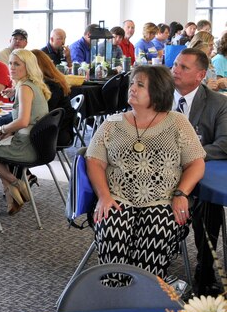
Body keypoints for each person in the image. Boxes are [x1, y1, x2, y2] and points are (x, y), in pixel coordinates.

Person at [88, 65, 205, 280]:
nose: (132, 88)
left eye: (140, 85)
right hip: (117, 197)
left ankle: (144, 299)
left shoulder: (178, 122)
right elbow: (94, 161)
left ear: (158, 91)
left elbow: (196, 163)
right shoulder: (112, 123)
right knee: (112, 232)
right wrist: (104, 196)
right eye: (132, 83)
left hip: (164, 200)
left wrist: (181, 194)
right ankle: (113, 298)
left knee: (155, 236)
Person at [173, 47, 227, 294]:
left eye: (184, 67)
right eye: (175, 64)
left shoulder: (218, 103)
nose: (176, 70)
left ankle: (204, 271)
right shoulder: (157, 95)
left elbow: (224, 144)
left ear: (200, 75)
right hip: (158, 171)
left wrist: (191, 158)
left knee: (206, 201)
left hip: (197, 171)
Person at [0, 49, 51, 215]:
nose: (11, 67)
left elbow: (22, 121)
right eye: (10, 63)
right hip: (37, 142)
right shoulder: (32, 85)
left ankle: (15, 183)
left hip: (27, 146)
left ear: (27, 67)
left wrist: (0, 130)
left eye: (17, 64)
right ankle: (11, 196)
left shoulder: (25, 88)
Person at [31, 49, 75, 148]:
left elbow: (43, 112)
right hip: (57, 129)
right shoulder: (53, 80)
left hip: (56, 134)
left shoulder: (51, 85)